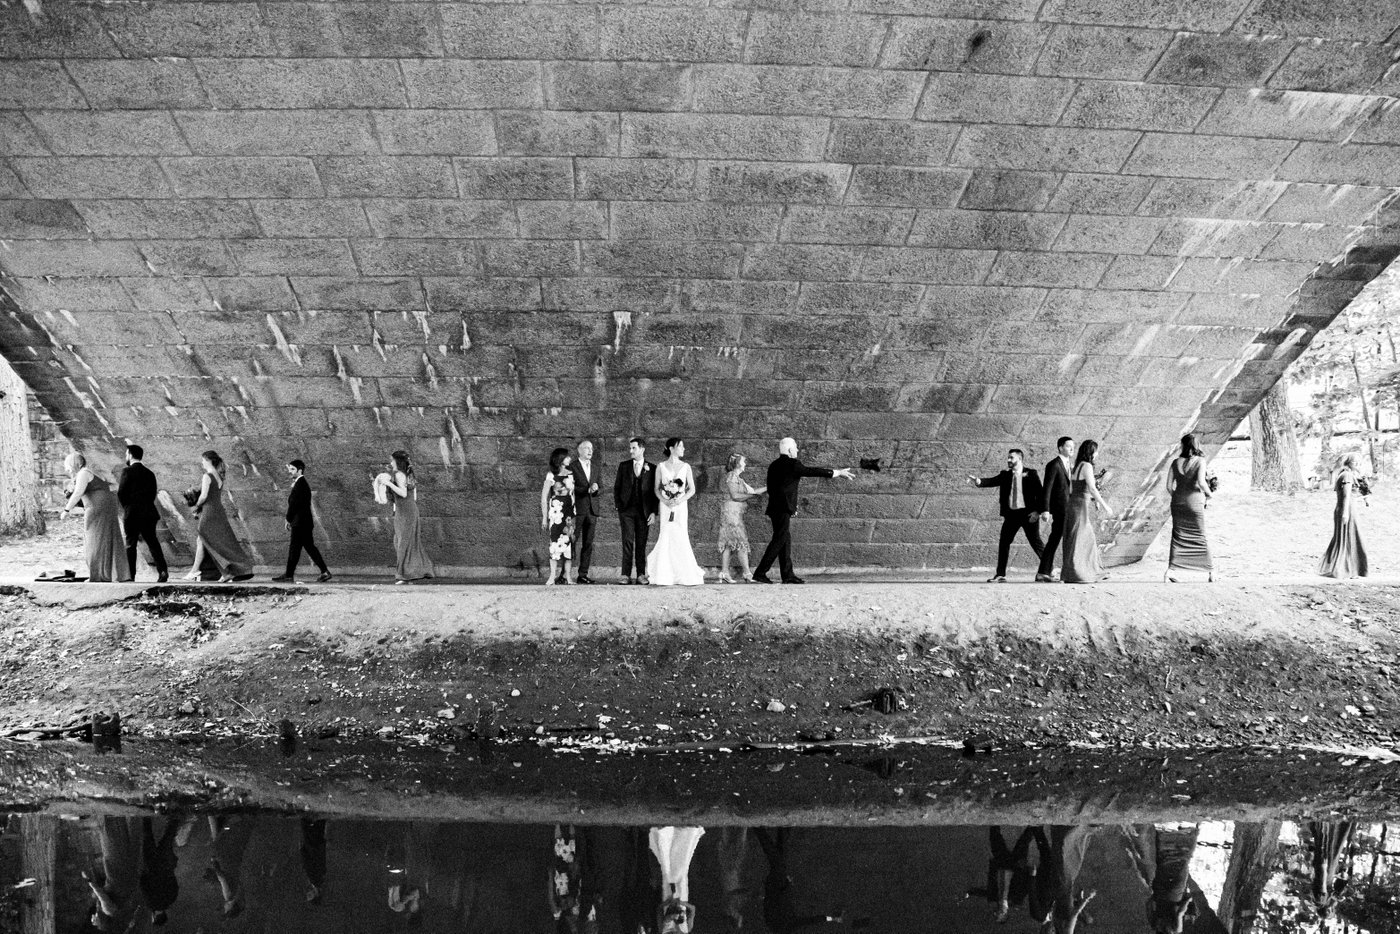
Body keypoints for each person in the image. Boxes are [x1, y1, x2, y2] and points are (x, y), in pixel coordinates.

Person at [753, 438, 854, 584]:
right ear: (789, 450)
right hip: (783, 508)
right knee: (779, 539)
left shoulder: (773, 465)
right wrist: (837, 472)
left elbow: (776, 487)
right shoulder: (793, 464)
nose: (797, 450)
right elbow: (811, 471)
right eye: (795, 448)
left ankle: (787, 575)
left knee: (784, 541)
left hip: (775, 507)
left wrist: (791, 505)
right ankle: (760, 573)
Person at [967, 448, 1045, 583]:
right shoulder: (1005, 475)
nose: (1008, 460)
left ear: (1020, 459)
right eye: (1008, 457)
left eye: (1011, 458)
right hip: (1012, 515)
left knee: (1036, 542)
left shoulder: (1031, 474)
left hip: (1029, 514)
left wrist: (1038, 512)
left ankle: (1047, 570)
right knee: (1004, 542)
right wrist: (978, 481)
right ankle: (1000, 574)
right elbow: (992, 481)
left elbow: (1041, 493)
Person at [183, 451, 254, 582]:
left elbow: (204, 496)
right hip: (218, 511)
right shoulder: (220, 476)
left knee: (204, 538)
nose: (202, 463)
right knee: (205, 540)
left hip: (209, 511)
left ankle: (197, 571)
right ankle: (202, 571)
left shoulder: (207, 476)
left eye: (203, 460)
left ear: (208, 460)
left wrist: (196, 506)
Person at [61, 452, 132, 583]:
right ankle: (111, 574)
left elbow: (78, 493)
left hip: (97, 508)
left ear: (74, 463)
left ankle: (98, 575)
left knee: (94, 539)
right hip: (105, 505)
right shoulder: (86, 473)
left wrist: (66, 509)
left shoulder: (83, 473)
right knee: (106, 538)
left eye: (68, 465)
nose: (67, 469)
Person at [647, 437, 705, 586]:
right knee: (666, 533)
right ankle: (664, 573)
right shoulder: (661, 466)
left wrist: (679, 499)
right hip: (666, 506)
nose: (683, 449)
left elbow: (692, 489)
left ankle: (684, 573)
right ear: (672, 448)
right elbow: (656, 488)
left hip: (680, 506)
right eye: (681, 446)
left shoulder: (686, 467)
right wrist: (665, 500)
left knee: (680, 534)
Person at [376, 450, 434, 584]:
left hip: (406, 512)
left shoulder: (399, 475)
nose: (391, 463)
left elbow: (402, 493)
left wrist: (388, 484)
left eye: (392, 461)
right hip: (407, 510)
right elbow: (413, 495)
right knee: (401, 541)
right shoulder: (407, 474)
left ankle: (404, 575)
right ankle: (413, 572)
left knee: (402, 543)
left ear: (398, 462)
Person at [1060, 440, 1113, 584]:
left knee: (1075, 538)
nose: (1097, 454)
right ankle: (1081, 573)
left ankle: (1074, 572)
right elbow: (1092, 488)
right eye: (1096, 451)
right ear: (1091, 452)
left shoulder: (1077, 465)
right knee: (1084, 538)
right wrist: (1104, 505)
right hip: (1080, 506)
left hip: (1073, 504)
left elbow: (1074, 488)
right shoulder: (1087, 466)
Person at [274, 459, 332, 583]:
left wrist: (288, 519)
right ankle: (324, 572)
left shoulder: (300, 484)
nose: (290, 472)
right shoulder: (301, 483)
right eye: (289, 469)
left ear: (300, 470)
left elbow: (294, 504)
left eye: (292, 469)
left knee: (295, 548)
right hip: (304, 522)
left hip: (299, 523)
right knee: (308, 547)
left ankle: (289, 575)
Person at [1166, 435, 1214, 583]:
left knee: (1178, 536)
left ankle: (1170, 571)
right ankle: (1210, 571)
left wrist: (1178, 497)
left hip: (1177, 502)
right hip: (1194, 502)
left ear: (1183, 445)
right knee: (1199, 535)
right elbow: (1201, 482)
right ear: (1196, 445)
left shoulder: (1175, 462)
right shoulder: (1200, 461)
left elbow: (1169, 487)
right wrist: (1209, 495)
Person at [117, 444, 168, 582]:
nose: (125, 456)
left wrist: (127, 507)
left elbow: (121, 493)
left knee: (130, 544)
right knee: (153, 542)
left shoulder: (127, 471)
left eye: (126, 453)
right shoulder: (149, 473)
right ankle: (163, 571)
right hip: (149, 512)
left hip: (132, 512)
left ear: (130, 455)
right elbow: (152, 494)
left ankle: (131, 575)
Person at [614, 437, 658, 584]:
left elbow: (655, 493)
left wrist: (653, 512)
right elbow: (617, 488)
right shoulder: (624, 466)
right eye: (630, 448)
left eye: (634, 448)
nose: (631, 451)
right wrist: (619, 506)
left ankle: (640, 574)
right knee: (627, 542)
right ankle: (625, 574)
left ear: (642, 449)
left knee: (641, 543)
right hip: (626, 511)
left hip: (644, 512)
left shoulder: (652, 468)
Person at [717, 453, 767, 584]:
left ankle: (724, 572)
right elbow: (735, 495)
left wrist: (768, 487)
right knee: (741, 542)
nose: (745, 464)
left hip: (732, 513)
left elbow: (754, 491)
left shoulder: (737, 478)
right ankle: (747, 573)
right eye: (743, 462)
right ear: (738, 464)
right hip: (731, 514)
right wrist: (752, 496)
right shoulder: (732, 477)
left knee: (729, 544)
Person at [1319, 453, 1368, 579]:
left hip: (1347, 508)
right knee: (1347, 539)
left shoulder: (1348, 475)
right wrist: (1346, 513)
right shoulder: (1347, 475)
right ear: (1348, 463)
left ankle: (1351, 569)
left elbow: (1353, 494)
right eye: (1355, 462)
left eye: (1359, 462)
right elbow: (1346, 495)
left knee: (1349, 538)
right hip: (1347, 509)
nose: (1358, 464)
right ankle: (1345, 570)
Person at [649, 827, 704, 934]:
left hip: (667, 899)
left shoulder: (663, 931)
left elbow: (659, 910)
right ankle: (687, 835)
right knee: (682, 872)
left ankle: (664, 836)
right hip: (682, 898)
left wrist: (668, 903)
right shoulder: (687, 930)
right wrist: (681, 903)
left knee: (666, 871)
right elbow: (692, 909)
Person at [1036, 436, 1074, 583]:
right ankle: (1044, 572)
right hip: (1059, 509)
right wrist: (1045, 509)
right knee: (1055, 539)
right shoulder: (1054, 464)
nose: (1072, 449)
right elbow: (1047, 488)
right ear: (1060, 448)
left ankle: (1043, 572)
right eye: (1068, 446)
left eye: (1073, 446)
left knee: (1055, 539)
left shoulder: (1069, 464)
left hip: (1068, 508)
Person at [541, 447, 576, 586]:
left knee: (569, 544)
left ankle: (568, 577)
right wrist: (545, 517)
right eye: (567, 457)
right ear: (560, 460)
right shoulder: (551, 475)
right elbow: (544, 497)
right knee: (554, 544)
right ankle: (552, 576)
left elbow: (573, 494)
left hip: (569, 512)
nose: (569, 459)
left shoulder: (571, 473)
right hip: (556, 512)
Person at [569, 440, 602, 584]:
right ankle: (565, 574)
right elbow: (569, 487)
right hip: (577, 509)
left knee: (588, 543)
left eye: (592, 449)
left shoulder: (595, 466)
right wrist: (585, 490)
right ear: (579, 450)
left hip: (592, 510)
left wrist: (596, 489)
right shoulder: (572, 467)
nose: (590, 451)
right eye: (587, 448)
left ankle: (582, 574)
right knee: (571, 541)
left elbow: (600, 485)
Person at [139, 816, 180, 927]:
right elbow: (143, 884)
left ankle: (177, 814)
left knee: (168, 837)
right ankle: (145, 814)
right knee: (147, 837)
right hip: (151, 866)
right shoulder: (150, 903)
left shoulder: (172, 898)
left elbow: (174, 881)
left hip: (166, 865)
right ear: (155, 916)